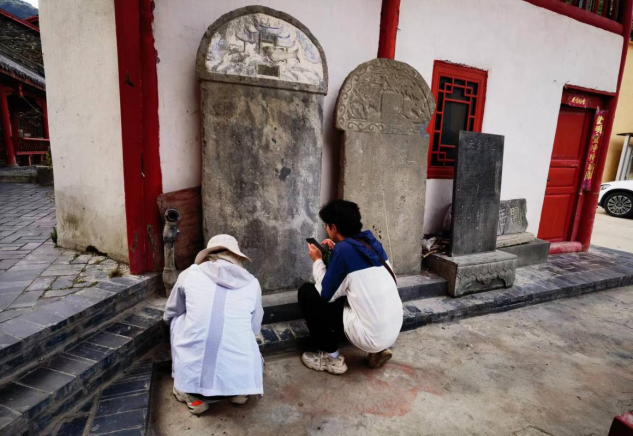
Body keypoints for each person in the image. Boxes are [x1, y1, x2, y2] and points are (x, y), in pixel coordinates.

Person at [299, 200, 403, 375]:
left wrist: (317, 260)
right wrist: (335, 254)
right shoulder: (372, 243)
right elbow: (357, 274)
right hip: (392, 329)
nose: (326, 228)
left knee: (307, 292)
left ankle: (331, 358)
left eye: (326, 225)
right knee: (360, 292)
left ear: (333, 227)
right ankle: (378, 350)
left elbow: (325, 294)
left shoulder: (343, 251)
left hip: (370, 336)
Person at [164, 234, 264, 415]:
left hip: (195, 384)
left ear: (209, 256)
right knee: (248, 332)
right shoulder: (252, 283)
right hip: (240, 382)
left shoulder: (189, 274)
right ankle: (240, 392)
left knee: (177, 319)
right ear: (237, 257)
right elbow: (255, 326)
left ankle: (194, 398)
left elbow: (171, 311)